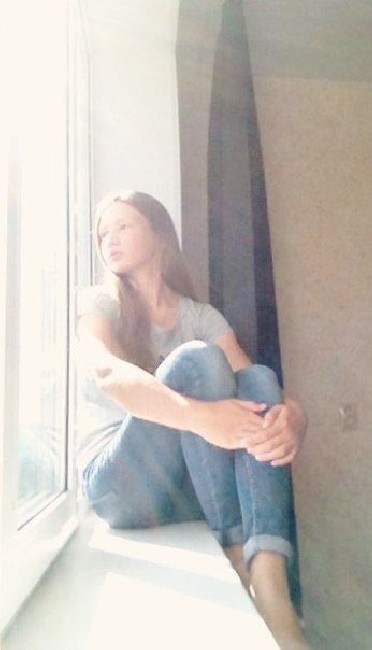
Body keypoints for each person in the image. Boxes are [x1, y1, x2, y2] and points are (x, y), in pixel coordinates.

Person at [76, 190, 310, 649]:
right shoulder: (100, 302)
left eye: (123, 226)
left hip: (181, 489)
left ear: (159, 234)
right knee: (195, 362)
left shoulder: (198, 315)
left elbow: (257, 385)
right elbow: (105, 371)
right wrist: (200, 417)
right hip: (119, 485)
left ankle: (269, 576)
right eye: (103, 233)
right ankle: (236, 550)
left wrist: (296, 419)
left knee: (259, 378)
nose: (110, 240)